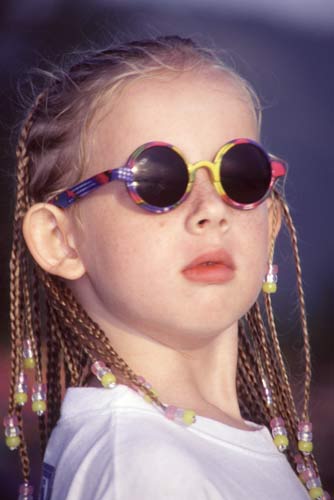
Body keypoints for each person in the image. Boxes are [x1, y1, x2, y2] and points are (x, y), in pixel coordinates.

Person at [4, 36, 329, 500]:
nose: (210, 210)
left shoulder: (177, 450)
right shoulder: (142, 469)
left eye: (241, 175)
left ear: (270, 221)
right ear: (60, 241)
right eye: (157, 179)